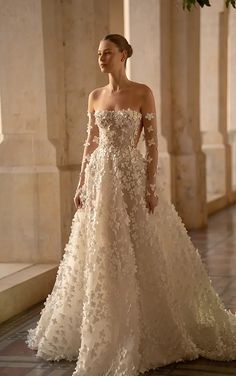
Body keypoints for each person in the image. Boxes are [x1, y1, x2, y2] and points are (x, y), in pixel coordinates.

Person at [26, 34, 236, 376]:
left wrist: (151, 186)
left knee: (137, 245)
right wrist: (81, 183)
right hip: (99, 181)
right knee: (102, 248)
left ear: (124, 55)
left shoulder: (143, 93)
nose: (101, 58)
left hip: (130, 177)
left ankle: (142, 322)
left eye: (107, 53)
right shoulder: (95, 97)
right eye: (99, 54)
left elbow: (152, 146)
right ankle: (103, 321)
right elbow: (89, 144)